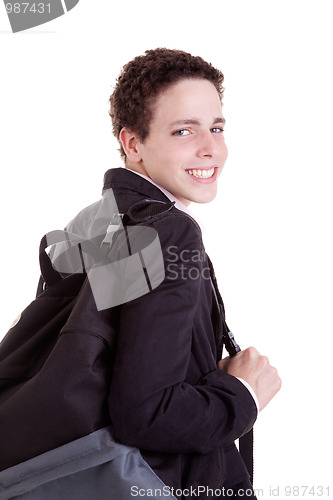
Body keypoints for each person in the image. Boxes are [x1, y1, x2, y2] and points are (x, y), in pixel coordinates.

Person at [61, 48, 282, 499]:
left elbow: (114, 363)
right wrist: (243, 392)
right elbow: (145, 413)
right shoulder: (168, 233)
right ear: (133, 143)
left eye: (216, 128)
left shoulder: (96, 222)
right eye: (184, 130)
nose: (211, 148)